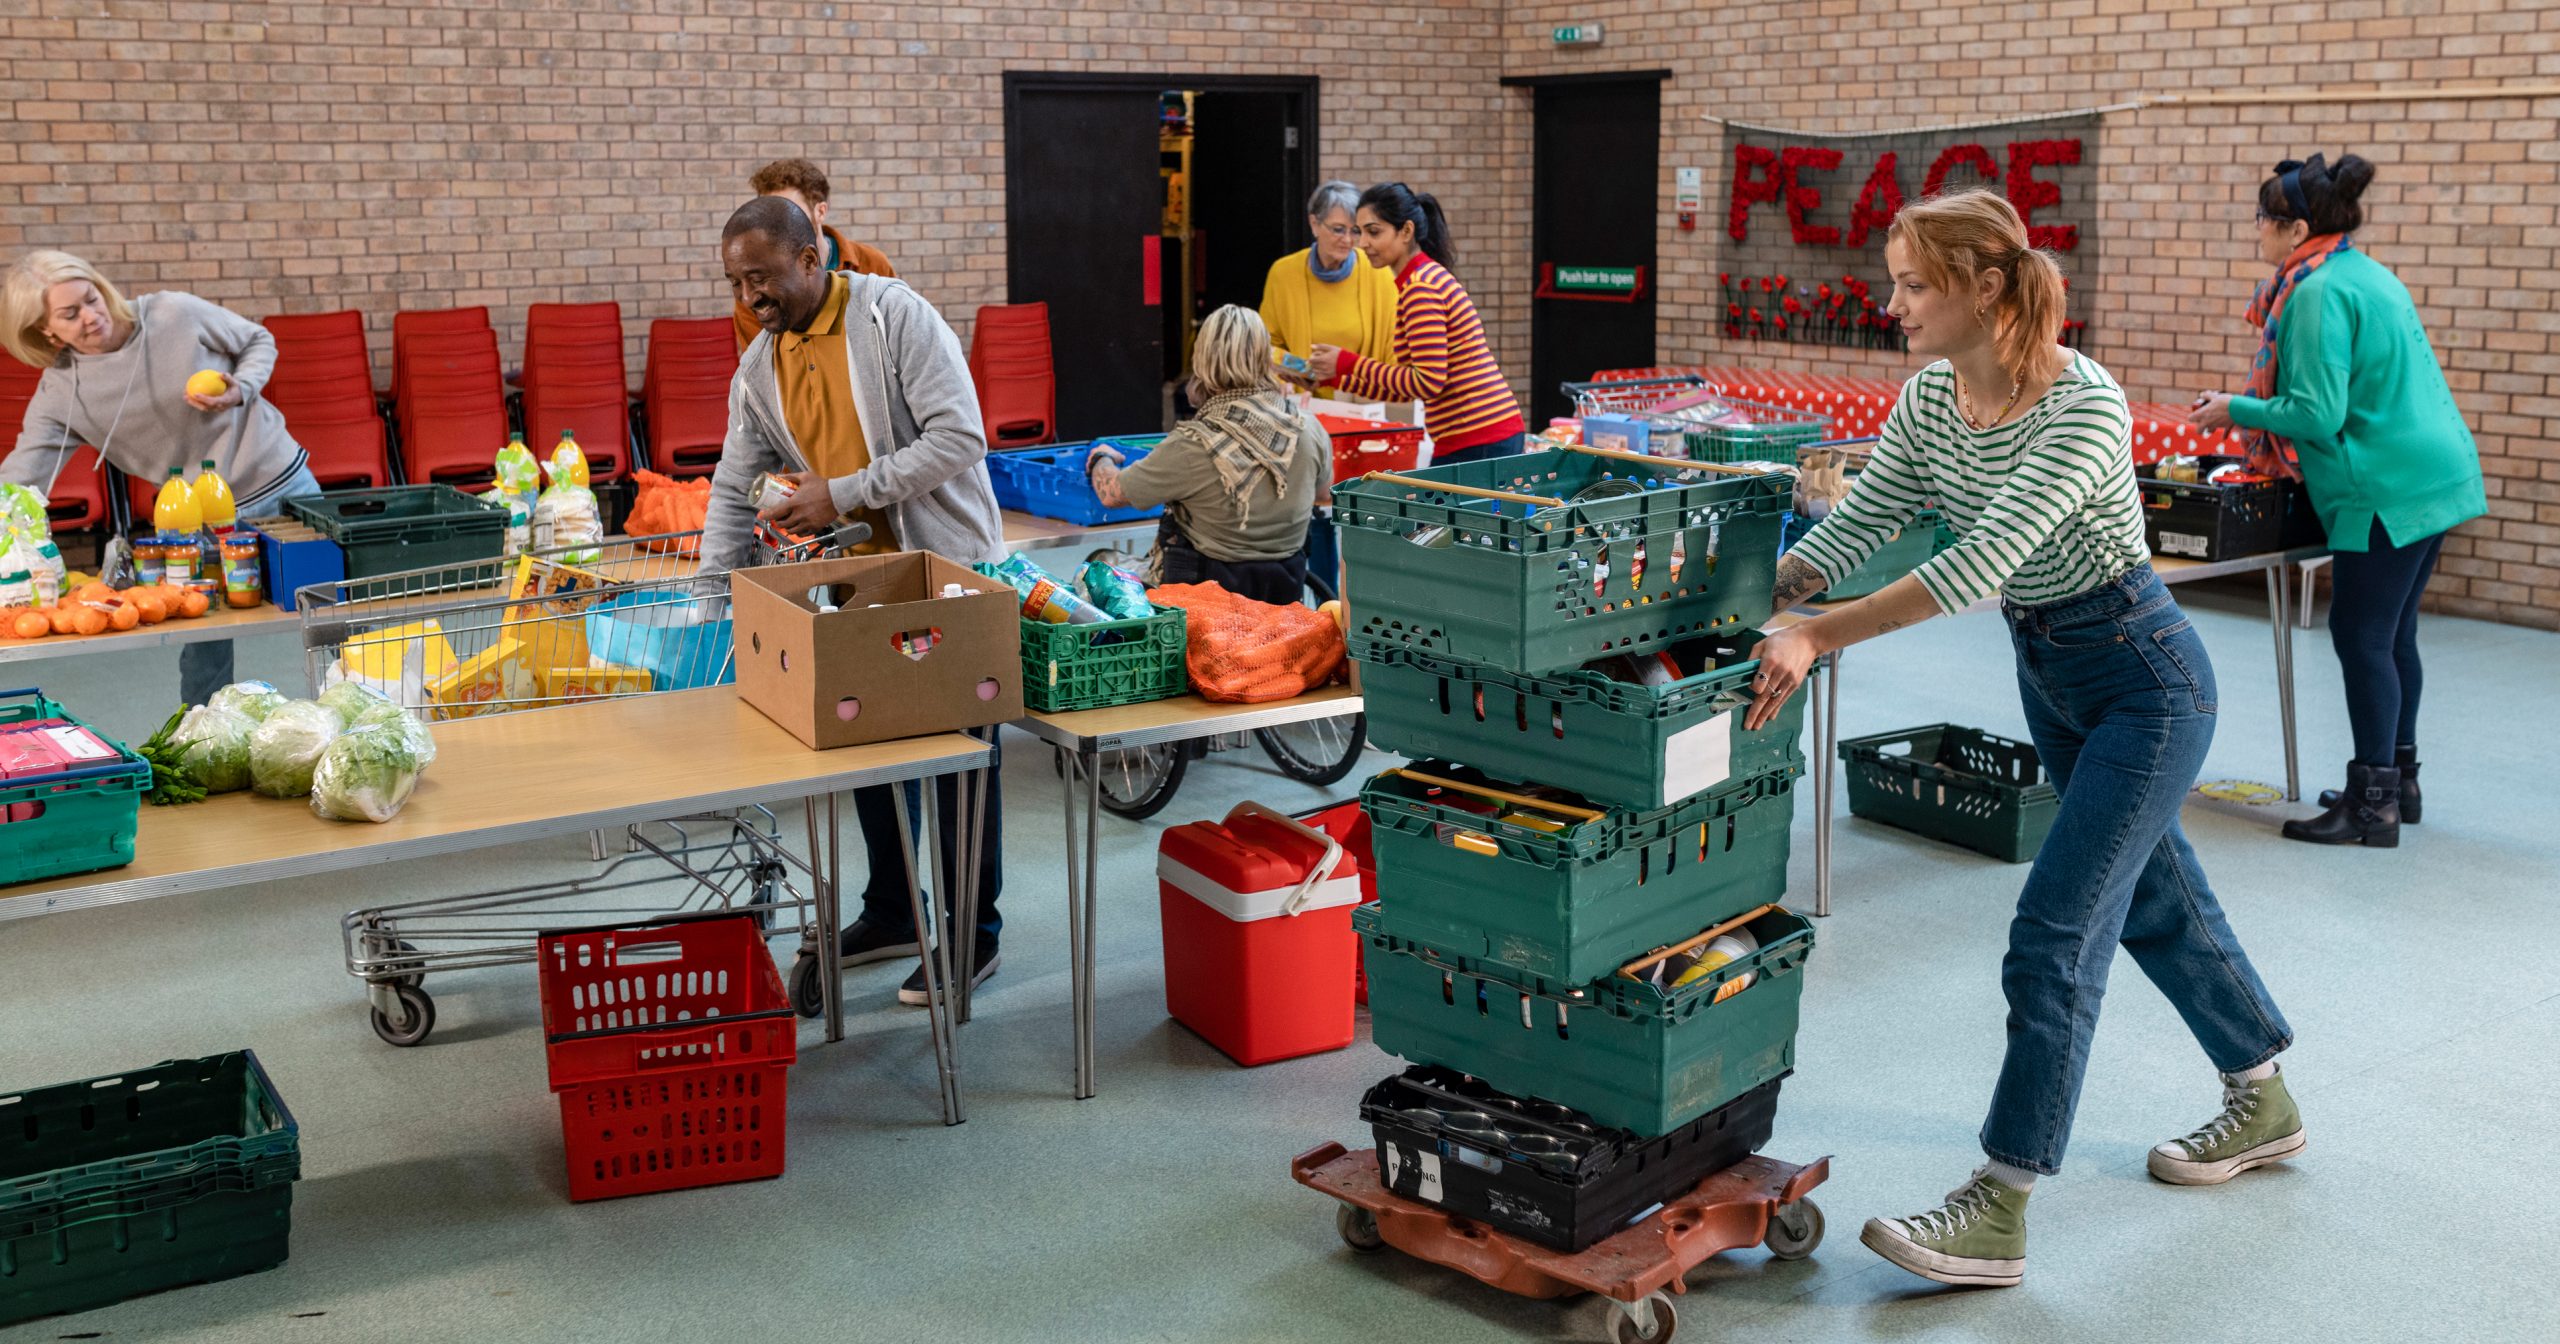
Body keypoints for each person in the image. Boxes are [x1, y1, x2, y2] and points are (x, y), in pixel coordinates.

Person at [1750, 191, 2300, 1289]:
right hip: (2049, 672)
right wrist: (1777, 580)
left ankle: (1998, 1203)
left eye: (1913, 284)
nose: (1891, 303)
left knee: (2056, 930)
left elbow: (1970, 568)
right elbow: (1874, 518)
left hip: (2144, 678)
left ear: (1985, 287)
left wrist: (1815, 634)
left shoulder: (2082, 404)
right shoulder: (1930, 399)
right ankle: (2263, 1094)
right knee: (2149, 895)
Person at [703, 196, 1007, 1005]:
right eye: (736, 283)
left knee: (958, 762)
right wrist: (709, 595)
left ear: (812, 258)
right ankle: (896, 911)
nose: (750, 298)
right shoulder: (760, 365)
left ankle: (973, 936)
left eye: (762, 277)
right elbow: (735, 486)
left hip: (948, 572)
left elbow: (960, 438)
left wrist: (840, 493)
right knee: (864, 747)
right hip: (861, 584)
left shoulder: (892, 317)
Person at [2188, 153, 2484, 848]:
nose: (2256, 231)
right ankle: (2396, 783)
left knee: (2360, 637)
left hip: (2383, 486)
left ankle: (2370, 806)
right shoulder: (2364, 272)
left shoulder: (2316, 294)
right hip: (2432, 474)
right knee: (2392, 635)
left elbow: (2317, 414)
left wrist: (2232, 407)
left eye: (2262, 220)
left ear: (2293, 230)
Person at [2, 250, 319, 704]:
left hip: (280, 484)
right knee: (203, 643)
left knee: (332, 609)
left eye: (92, 298)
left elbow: (257, 340)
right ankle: (203, 738)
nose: (92, 317)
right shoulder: (61, 392)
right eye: (70, 314)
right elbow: (18, 481)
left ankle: (369, 701)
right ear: (45, 331)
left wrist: (241, 387)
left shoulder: (173, 312)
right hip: (195, 518)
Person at [1086, 305, 1325, 605]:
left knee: (1097, 565)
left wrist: (1101, 458)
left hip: (1204, 611)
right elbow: (1323, 492)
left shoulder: (1193, 444)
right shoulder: (1308, 430)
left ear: (1203, 360)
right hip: (1282, 604)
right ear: (1266, 357)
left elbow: (1112, 495)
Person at [1301, 183, 1522, 467]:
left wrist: (1348, 363)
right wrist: (1335, 378)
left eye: (1373, 231)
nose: (1362, 243)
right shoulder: (1420, 281)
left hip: (1478, 438)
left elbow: (1427, 382)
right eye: (1360, 231)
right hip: (1480, 435)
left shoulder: (1421, 289)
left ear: (1405, 231)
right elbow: (1409, 386)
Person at [730, 158, 899, 353]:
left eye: (789, 211)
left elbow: (895, 342)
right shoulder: (753, 287)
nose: (775, 227)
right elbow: (761, 367)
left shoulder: (873, 264)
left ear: (820, 211)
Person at [1258, 180, 1398, 397]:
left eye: (1355, 231)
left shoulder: (1379, 274)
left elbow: (1394, 346)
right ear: (1314, 224)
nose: (1348, 240)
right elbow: (1266, 345)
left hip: (1361, 405)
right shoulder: (1283, 273)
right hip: (1302, 408)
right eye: (1338, 230)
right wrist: (1283, 378)